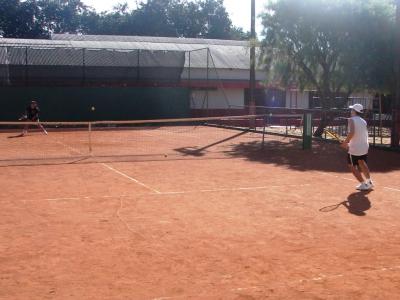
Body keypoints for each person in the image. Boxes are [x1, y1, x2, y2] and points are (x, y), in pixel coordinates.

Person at [341, 103, 373, 191]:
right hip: (364, 146)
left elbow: (352, 133)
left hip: (355, 148)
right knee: (362, 162)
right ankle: (369, 182)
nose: (351, 111)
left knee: (351, 166)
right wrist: (348, 141)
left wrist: (345, 142)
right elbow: (360, 134)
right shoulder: (363, 121)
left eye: (352, 110)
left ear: (354, 111)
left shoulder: (351, 120)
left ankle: (363, 184)